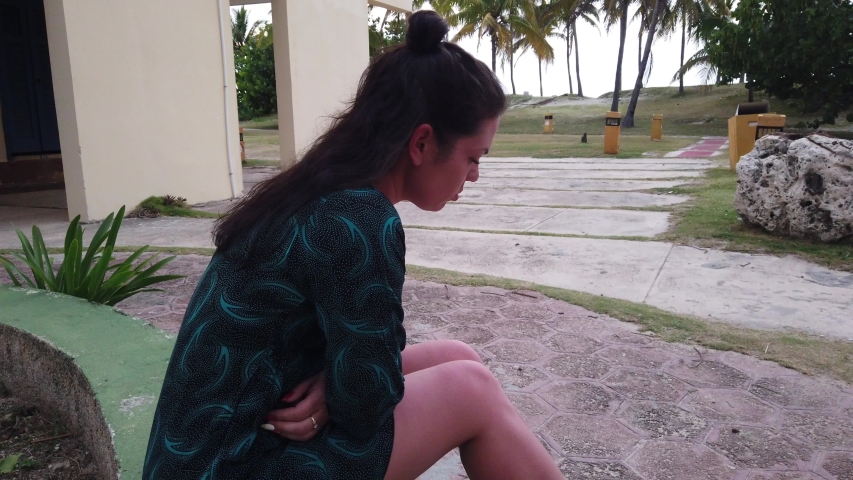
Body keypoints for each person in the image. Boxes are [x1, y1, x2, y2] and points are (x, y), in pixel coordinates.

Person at [143, 10, 563, 480]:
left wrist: (331, 384)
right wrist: (339, 392)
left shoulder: (320, 191)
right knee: (471, 390)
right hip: (228, 467)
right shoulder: (357, 218)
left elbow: (358, 373)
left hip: (204, 454)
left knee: (457, 356)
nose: (474, 175)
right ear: (422, 143)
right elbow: (366, 406)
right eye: (472, 157)